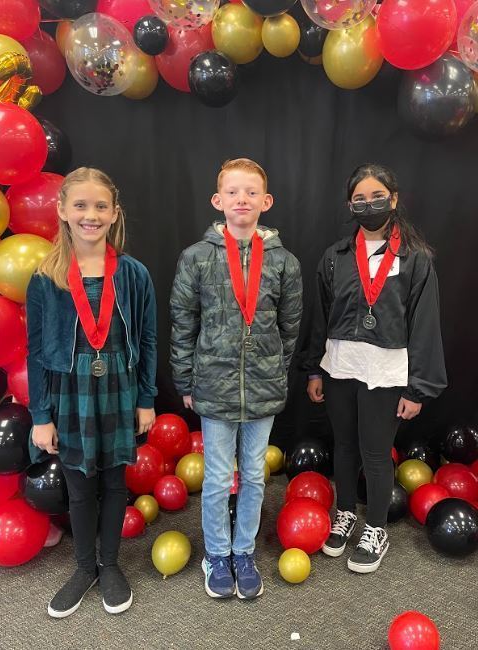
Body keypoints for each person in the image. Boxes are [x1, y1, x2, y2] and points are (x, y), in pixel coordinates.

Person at [303, 163, 446, 574]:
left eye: (377, 197)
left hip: (385, 372)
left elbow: (425, 325)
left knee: (376, 452)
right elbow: (320, 316)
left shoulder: (415, 258)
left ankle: (376, 528)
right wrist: (314, 370)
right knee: (344, 446)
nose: (369, 205)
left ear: (394, 199)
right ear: (350, 205)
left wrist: (418, 388)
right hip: (340, 366)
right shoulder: (335, 257)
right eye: (360, 200)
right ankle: (346, 512)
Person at [26, 167, 157, 617]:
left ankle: (111, 564)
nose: (91, 215)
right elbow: (36, 352)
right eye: (80, 205)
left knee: (115, 482)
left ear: (115, 213)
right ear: (62, 210)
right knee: (80, 486)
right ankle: (84, 567)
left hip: (119, 386)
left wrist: (146, 399)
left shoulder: (134, 274)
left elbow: (149, 340)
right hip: (70, 391)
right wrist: (41, 415)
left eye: (101, 206)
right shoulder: (46, 278)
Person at [170, 158, 302, 599]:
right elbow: (183, 323)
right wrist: (186, 381)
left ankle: (244, 552)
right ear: (218, 200)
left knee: (254, 476)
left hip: (263, 388)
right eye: (232, 192)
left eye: (251, 192)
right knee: (216, 478)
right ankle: (217, 554)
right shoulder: (197, 257)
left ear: (266, 201)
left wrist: (275, 372)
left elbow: (290, 328)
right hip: (214, 386)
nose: (241, 199)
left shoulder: (284, 262)